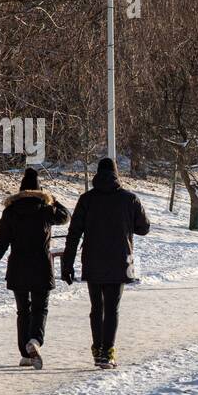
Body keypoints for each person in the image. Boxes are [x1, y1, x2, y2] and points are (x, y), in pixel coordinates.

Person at [62, 157, 150, 369]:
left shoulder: (87, 199)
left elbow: (74, 233)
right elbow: (144, 228)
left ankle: (97, 349)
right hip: (120, 260)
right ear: (116, 175)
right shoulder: (130, 199)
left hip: (93, 260)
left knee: (96, 307)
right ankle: (107, 353)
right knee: (112, 308)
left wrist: (67, 264)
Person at [0, 167, 70, 369]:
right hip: (41, 266)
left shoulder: (11, 212)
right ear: (40, 190)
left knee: (23, 311)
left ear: (21, 190)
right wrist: (53, 200)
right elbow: (66, 216)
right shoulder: (46, 209)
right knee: (40, 308)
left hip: (18, 268)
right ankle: (35, 341)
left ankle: (25, 354)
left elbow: (1, 244)